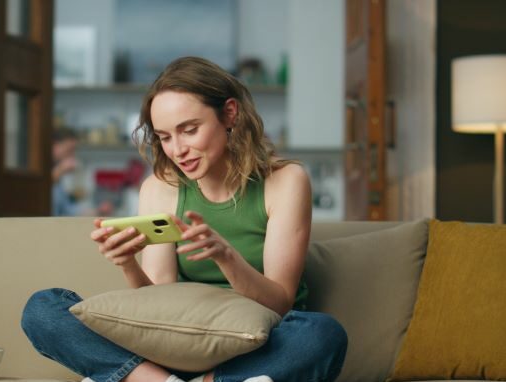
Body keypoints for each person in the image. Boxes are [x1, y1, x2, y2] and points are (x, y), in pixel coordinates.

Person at [22, 57, 347, 382]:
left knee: (321, 334)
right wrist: (128, 264)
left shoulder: (285, 181)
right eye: (164, 136)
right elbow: (157, 303)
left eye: (189, 130)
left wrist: (225, 256)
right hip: (176, 348)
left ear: (229, 114)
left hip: (257, 345)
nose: (178, 150)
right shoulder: (161, 187)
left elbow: (279, 303)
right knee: (43, 310)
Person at [51, 126, 79, 216]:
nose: (72, 155)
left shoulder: (59, 176)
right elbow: (40, 187)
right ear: (55, 146)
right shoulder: (38, 164)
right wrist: (61, 170)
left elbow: (70, 211)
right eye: (69, 150)